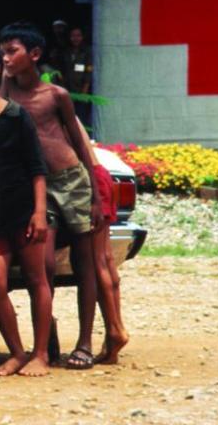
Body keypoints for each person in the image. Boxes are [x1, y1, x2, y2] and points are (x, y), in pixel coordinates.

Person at [0, 21, 102, 371]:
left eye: (12, 51)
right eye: (3, 51)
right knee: (41, 265)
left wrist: (96, 192)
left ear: (35, 54)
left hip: (71, 180)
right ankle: (47, 332)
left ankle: (85, 342)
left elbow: (78, 139)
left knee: (84, 263)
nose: (5, 57)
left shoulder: (56, 95)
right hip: (36, 185)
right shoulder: (4, 90)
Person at [0, 44, 52, 377]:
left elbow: (37, 168)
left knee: (37, 280)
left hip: (22, 211)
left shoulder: (16, 116)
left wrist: (40, 212)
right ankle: (17, 351)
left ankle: (42, 353)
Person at [78, 122, 129, 365]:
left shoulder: (47, 101)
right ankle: (115, 328)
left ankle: (115, 330)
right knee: (107, 260)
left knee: (98, 261)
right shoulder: (61, 103)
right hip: (101, 175)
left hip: (89, 180)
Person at [61, 25, 93, 126]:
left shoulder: (87, 52)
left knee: (81, 118)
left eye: (78, 35)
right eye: (73, 36)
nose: (75, 38)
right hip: (67, 90)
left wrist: (84, 91)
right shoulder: (65, 51)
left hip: (81, 90)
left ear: (82, 37)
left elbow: (89, 71)